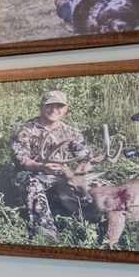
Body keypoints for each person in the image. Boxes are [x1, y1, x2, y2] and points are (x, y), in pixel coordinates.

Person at [9, 88, 92, 239]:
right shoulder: (24, 130)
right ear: (41, 107)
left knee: (96, 181)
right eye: (49, 105)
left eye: (59, 106)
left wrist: (77, 173)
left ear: (66, 109)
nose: (54, 110)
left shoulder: (71, 132)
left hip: (62, 177)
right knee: (33, 182)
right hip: (31, 174)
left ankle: (104, 213)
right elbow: (21, 160)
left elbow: (85, 158)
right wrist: (40, 167)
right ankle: (45, 228)